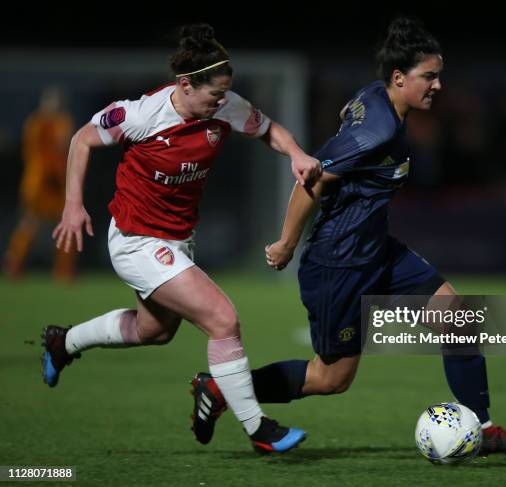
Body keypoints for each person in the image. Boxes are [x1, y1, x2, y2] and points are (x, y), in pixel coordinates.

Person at [191, 17, 506, 457]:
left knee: (458, 321)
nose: (437, 85)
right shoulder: (377, 132)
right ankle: (223, 388)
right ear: (399, 78)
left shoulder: (378, 99)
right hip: (339, 264)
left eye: (439, 75)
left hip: (377, 250)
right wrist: (285, 243)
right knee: (330, 379)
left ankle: (483, 427)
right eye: (429, 77)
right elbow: (312, 180)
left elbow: (347, 113)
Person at [41, 23, 321, 454]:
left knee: (152, 331)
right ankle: (258, 429)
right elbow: (81, 140)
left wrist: (298, 154)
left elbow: (269, 129)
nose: (221, 101)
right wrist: (72, 205)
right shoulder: (141, 114)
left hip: (176, 240)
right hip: (137, 240)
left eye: (225, 93)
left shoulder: (224, 107)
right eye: (213, 94)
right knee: (223, 320)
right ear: (185, 84)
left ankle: (65, 342)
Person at [4, 87, 76, 281]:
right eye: (52, 101)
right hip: (39, 182)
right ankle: (14, 264)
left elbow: (66, 148)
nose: (56, 105)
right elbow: (37, 154)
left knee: (66, 224)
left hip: (58, 182)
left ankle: (64, 271)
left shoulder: (63, 121)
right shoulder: (36, 124)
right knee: (31, 223)